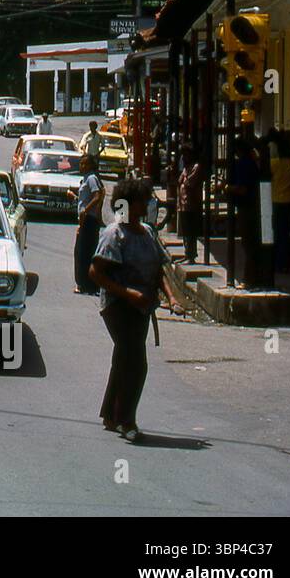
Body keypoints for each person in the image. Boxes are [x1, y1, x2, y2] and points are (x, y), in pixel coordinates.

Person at [90, 176, 182, 443]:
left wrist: (173, 299)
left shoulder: (148, 232)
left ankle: (111, 414)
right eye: (144, 200)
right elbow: (96, 273)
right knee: (136, 363)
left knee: (123, 359)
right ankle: (126, 421)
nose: (149, 203)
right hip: (119, 307)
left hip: (143, 307)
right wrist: (128, 293)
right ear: (131, 203)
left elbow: (161, 269)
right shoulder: (113, 234)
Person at [228, 138, 262, 287]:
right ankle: (253, 277)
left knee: (248, 244)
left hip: (247, 207)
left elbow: (242, 189)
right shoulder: (252, 164)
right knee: (251, 244)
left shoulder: (243, 164)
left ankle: (249, 279)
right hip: (253, 206)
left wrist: (226, 188)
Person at [74, 154, 105, 295]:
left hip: (89, 221)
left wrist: (85, 211)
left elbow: (97, 196)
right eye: (81, 164)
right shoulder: (86, 178)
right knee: (81, 252)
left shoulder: (92, 178)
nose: (82, 166)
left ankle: (85, 284)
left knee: (84, 253)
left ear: (90, 166)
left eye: (84, 164)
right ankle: (85, 283)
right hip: (85, 220)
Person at [267, 130, 290, 274]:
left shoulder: (274, 164)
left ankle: (277, 263)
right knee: (286, 234)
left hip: (276, 200)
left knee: (276, 234)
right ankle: (286, 263)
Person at [176, 144, 204, 263]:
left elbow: (188, 183)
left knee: (191, 232)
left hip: (192, 204)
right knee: (185, 231)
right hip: (182, 204)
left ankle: (191, 255)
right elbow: (179, 181)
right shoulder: (186, 168)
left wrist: (184, 177)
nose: (184, 157)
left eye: (185, 154)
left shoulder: (196, 167)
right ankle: (187, 253)